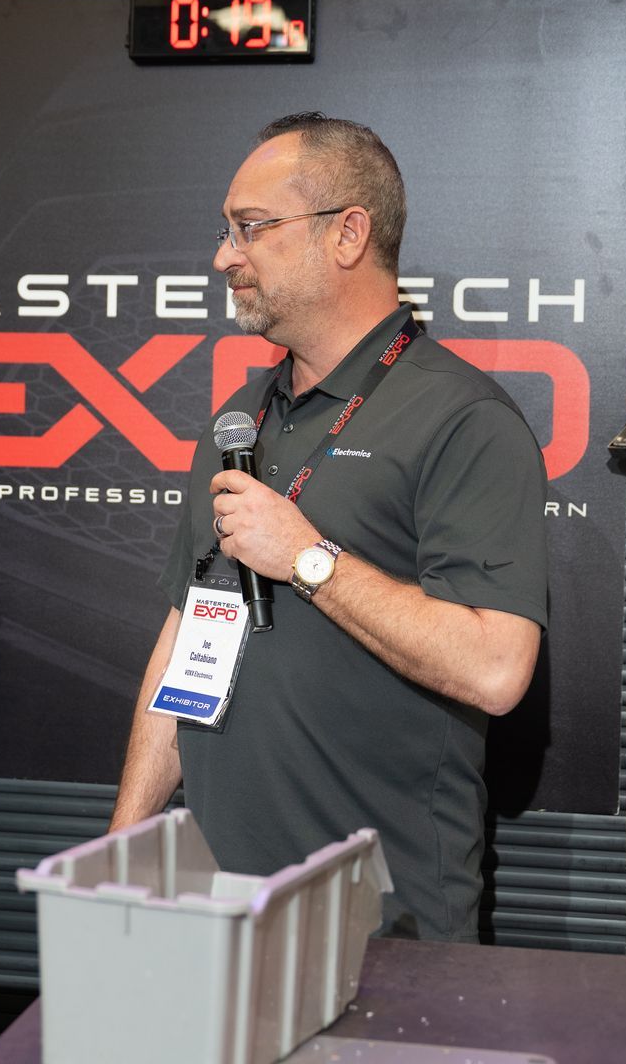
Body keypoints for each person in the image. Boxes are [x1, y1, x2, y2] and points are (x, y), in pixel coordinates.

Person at [109, 113, 548, 941]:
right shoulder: (238, 423)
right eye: (226, 230)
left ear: (348, 234)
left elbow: (496, 669)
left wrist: (308, 557)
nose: (223, 257)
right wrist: (127, 842)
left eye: (252, 228)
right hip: (217, 909)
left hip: (381, 921)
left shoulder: (463, 419)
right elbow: (186, 634)